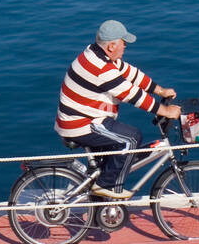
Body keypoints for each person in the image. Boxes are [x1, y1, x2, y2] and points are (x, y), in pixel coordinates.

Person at [55, 19, 181, 199]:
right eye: (123, 43)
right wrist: (166, 111)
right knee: (131, 138)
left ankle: (100, 204)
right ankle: (106, 186)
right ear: (112, 46)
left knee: (110, 158)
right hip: (81, 123)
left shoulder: (97, 54)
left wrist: (159, 90)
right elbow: (131, 95)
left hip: (81, 118)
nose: (125, 47)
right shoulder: (101, 68)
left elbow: (131, 73)